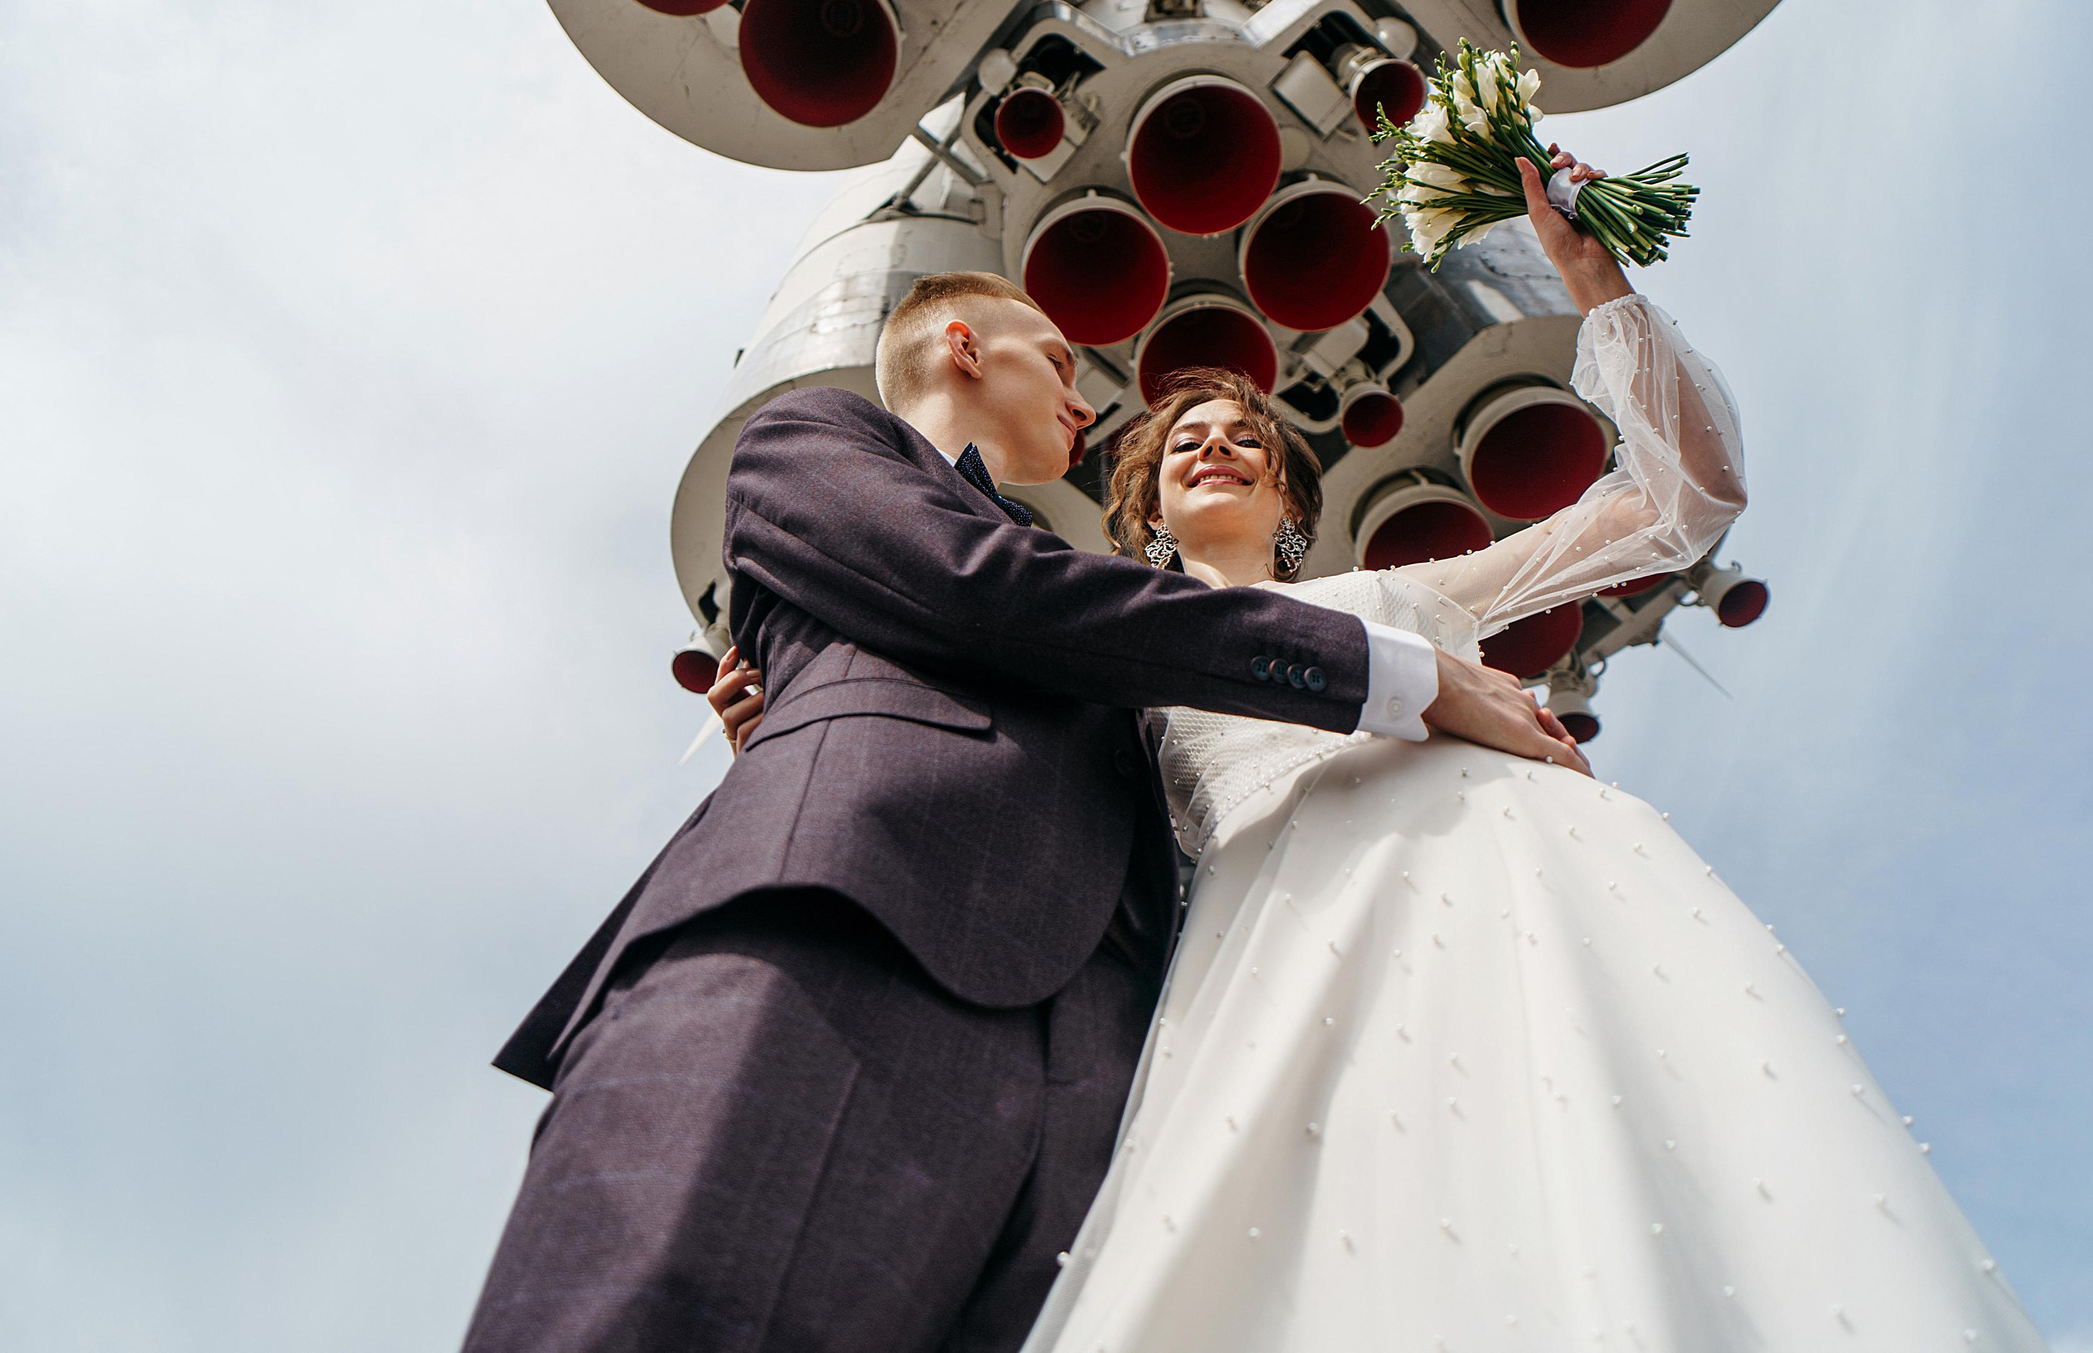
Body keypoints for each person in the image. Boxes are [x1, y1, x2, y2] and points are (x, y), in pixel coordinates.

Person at [997, 155, 2054, 1350]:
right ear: (1145, 513)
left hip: (1508, 875)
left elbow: (1684, 502)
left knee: (1601, 1128)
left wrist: (1596, 284)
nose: (1217, 447)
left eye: (1248, 437)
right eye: (1185, 440)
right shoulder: (1120, 673)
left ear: (1289, 503)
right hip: (1283, 935)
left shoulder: (1399, 595)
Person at [460, 269, 1579, 1353]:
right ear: (963, 347)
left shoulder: (1088, 606)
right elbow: (983, 588)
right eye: (1058, 361)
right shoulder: (812, 437)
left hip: (1099, 1066)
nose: (1084, 402)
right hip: (851, 929)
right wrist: (1392, 674)